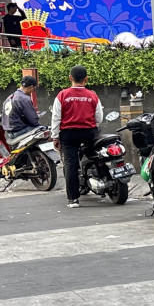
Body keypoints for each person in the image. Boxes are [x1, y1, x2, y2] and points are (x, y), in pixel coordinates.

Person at [51, 65, 103, 208]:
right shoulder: (93, 95)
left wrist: (55, 137)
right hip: (89, 133)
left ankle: (73, 199)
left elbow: (56, 118)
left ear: (70, 78)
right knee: (97, 157)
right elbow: (99, 117)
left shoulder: (62, 95)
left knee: (70, 165)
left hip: (69, 135)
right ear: (86, 79)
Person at [2, 76, 41, 144]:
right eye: (34, 88)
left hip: (10, 132)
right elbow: (33, 120)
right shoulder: (24, 98)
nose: (33, 91)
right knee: (44, 130)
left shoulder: (10, 97)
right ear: (30, 87)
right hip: (19, 131)